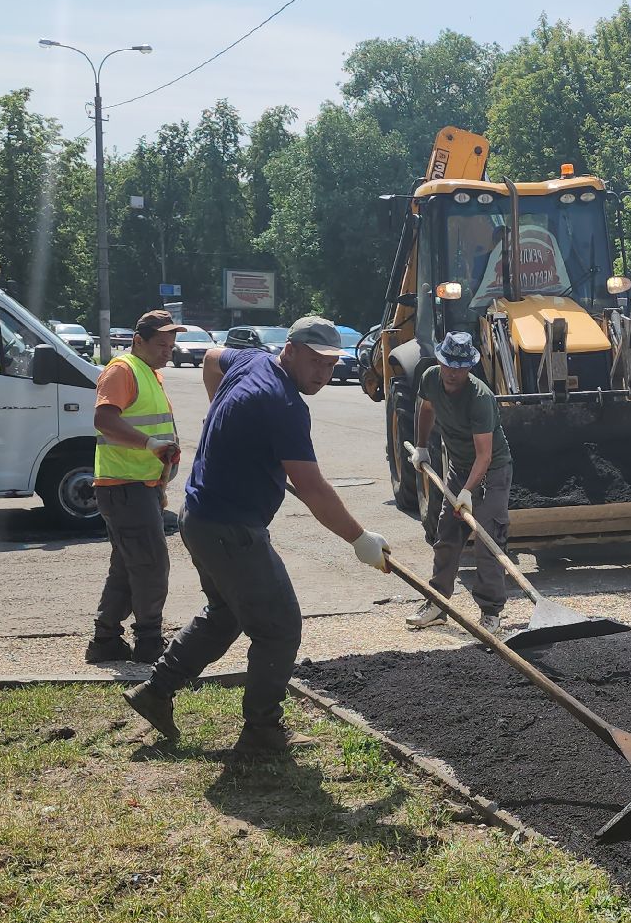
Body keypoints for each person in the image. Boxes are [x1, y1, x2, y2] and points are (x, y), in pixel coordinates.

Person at [122, 315, 389, 751]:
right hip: (230, 529)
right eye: (317, 362)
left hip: (201, 518)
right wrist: (360, 539)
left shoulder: (251, 361)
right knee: (280, 628)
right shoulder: (281, 405)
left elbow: (211, 359)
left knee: (226, 613)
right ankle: (262, 731)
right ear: (293, 349)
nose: (324, 374)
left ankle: (155, 692)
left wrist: (225, 423)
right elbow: (312, 487)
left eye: (331, 364)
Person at [87, 309, 186, 666]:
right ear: (138, 340)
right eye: (162, 344)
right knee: (151, 564)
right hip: (124, 485)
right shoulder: (122, 370)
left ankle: (105, 640)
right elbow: (103, 419)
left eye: (171, 345)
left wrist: (160, 481)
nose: (168, 351)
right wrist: (151, 447)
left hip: (137, 485)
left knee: (129, 565)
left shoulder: (148, 372)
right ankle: (148, 641)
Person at [406, 331, 513, 636]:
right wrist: (422, 447)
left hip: (492, 473)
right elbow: (425, 410)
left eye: (460, 367)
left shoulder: (481, 399)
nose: (452, 372)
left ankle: (491, 613)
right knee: (447, 536)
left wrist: (467, 492)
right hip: (458, 467)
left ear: (469, 367)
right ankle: (438, 604)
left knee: (487, 541)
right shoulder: (430, 378)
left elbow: (485, 455)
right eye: (447, 365)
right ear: (440, 361)